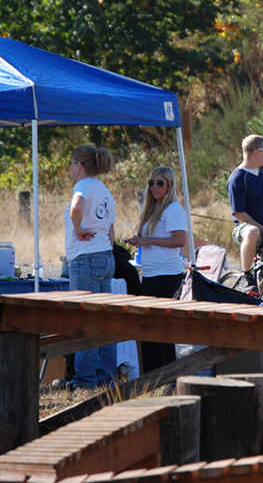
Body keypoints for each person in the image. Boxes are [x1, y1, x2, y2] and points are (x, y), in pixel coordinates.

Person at [124, 167, 187, 373]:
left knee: (149, 323)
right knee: (158, 325)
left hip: (167, 273)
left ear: (170, 185)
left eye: (160, 183)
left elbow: (180, 240)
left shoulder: (173, 209)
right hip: (151, 273)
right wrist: (138, 240)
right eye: (151, 183)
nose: (155, 187)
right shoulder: (153, 208)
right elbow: (151, 239)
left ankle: (155, 375)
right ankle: (165, 373)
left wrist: (148, 240)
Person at [64, 145, 117, 388]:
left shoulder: (83, 185)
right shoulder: (105, 190)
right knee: (104, 319)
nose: (71, 169)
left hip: (85, 257)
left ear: (79, 165)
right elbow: (111, 231)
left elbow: (77, 207)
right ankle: (107, 376)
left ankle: (85, 379)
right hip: (106, 255)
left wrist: (78, 230)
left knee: (84, 319)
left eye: (71, 164)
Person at [227, 134, 263, 292]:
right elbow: (239, 214)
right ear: (256, 152)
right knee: (252, 232)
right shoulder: (237, 178)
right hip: (245, 229)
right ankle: (246, 275)